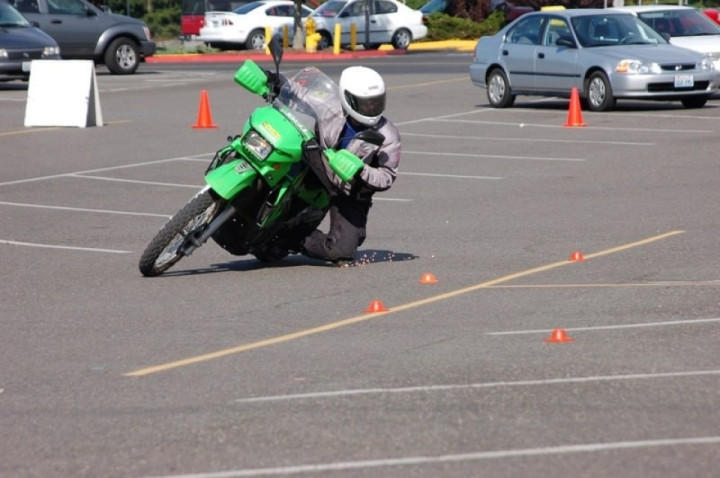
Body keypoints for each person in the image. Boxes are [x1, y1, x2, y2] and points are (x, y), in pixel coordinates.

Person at [266, 66, 402, 266]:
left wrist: (360, 169)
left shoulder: (388, 134)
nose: (372, 107)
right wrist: (272, 79)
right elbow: (299, 93)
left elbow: (387, 175)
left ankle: (290, 238)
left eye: (376, 101)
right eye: (365, 103)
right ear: (347, 99)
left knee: (342, 251)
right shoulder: (329, 106)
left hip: (351, 192)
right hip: (317, 168)